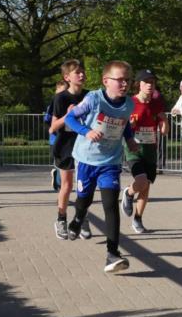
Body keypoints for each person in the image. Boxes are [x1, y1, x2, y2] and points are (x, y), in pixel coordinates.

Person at [64, 60, 140, 273]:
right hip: (87, 159)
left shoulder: (129, 104)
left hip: (110, 162)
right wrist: (86, 131)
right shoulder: (93, 99)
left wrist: (131, 139)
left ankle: (112, 253)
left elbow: (124, 126)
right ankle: (77, 219)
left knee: (110, 204)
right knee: (84, 200)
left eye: (127, 80)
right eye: (120, 80)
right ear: (106, 81)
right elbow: (70, 118)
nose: (124, 84)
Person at [48, 60, 90, 240]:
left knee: (85, 186)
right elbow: (52, 127)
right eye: (77, 72)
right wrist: (69, 115)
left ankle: (81, 218)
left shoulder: (90, 96)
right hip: (66, 146)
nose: (82, 75)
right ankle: (61, 219)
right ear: (67, 77)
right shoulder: (61, 98)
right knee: (67, 185)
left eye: (83, 72)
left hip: (86, 146)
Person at [120, 69, 167, 234]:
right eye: (146, 82)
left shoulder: (156, 103)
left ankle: (138, 219)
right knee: (141, 181)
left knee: (146, 187)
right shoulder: (129, 102)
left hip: (150, 149)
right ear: (139, 84)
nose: (150, 85)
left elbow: (163, 126)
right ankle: (128, 192)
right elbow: (122, 122)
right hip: (134, 149)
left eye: (152, 82)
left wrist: (163, 123)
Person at [44, 80, 67, 193]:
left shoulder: (70, 104)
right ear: (56, 91)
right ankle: (61, 188)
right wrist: (53, 128)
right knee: (60, 164)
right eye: (60, 92)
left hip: (67, 139)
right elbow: (47, 120)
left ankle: (61, 185)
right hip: (55, 139)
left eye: (65, 91)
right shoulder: (52, 105)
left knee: (66, 164)